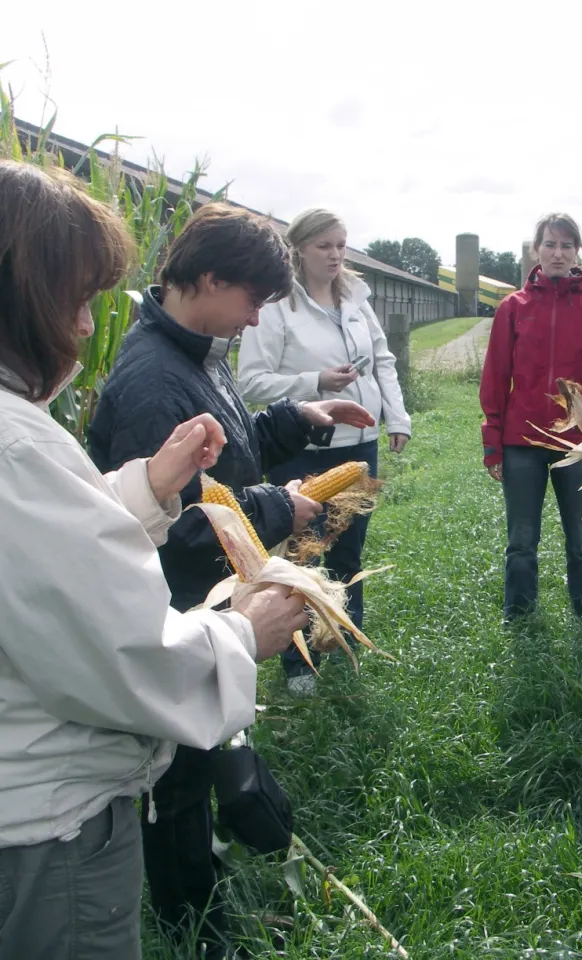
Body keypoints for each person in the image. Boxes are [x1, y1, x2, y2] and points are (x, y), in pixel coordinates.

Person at [0, 163, 310, 959]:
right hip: (46, 818)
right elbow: (121, 650)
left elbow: (44, 550)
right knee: (176, 808)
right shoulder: (32, 436)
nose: (79, 329)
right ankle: (194, 923)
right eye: (73, 299)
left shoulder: (198, 361)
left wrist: (145, 485)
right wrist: (241, 633)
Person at [87, 203, 375, 958]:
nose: (254, 320)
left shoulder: (196, 352)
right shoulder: (153, 380)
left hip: (208, 601)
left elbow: (227, 455)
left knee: (212, 750)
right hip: (177, 607)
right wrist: (284, 504)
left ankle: (225, 869)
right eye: (250, 300)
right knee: (176, 779)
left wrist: (296, 418)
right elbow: (179, 519)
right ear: (210, 279)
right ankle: (194, 925)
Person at [237, 207, 411, 692]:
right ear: (300, 250)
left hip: (360, 446)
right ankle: (299, 663)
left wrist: (396, 417)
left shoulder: (357, 299)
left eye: (341, 245)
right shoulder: (275, 307)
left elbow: (383, 360)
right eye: (324, 246)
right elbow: (250, 380)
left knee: (349, 551)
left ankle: (343, 641)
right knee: (302, 554)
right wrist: (315, 382)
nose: (336, 255)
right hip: (305, 450)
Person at [479, 213, 582, 621]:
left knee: (581, 538)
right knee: (521, 539)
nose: (558, 253)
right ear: (536, 250)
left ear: (577, 251)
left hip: (577, 444)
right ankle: (520, 617)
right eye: (550, 244)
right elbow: (495, 376)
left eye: (566, 245)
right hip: (520, 442)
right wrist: (493, 440)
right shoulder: (513, 307)